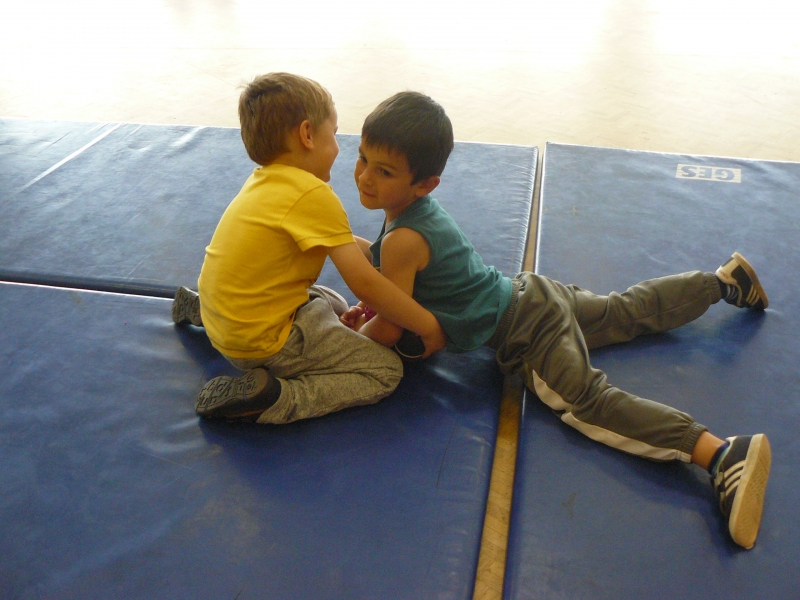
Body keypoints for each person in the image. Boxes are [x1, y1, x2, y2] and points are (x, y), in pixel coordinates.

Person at [340, 91, 772, 549]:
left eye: (384, 172)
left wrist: (354, 336)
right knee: (622, 310)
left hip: (526, 334)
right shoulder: (412, 217)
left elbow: (391, 326)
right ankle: (722, 283)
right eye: (362, 158)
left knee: (589, 403)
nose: (365, 177)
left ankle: (721, 454)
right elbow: (390, 274)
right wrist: (352, 261)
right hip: (533, 294)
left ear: (425, 184)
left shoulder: (402, 240)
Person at [171, 73, 446, 425]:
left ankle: (207, 312)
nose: (338, 147)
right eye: (334, 134)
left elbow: (343, 244)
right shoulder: (313, 195)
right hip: (260, 342)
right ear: (307, 135)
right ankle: (276, 398)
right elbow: (365, 285)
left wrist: (386, 257)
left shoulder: (264, 181)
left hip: (228, 313)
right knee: (385, 370)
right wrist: (427, 325)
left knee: (335, 304)